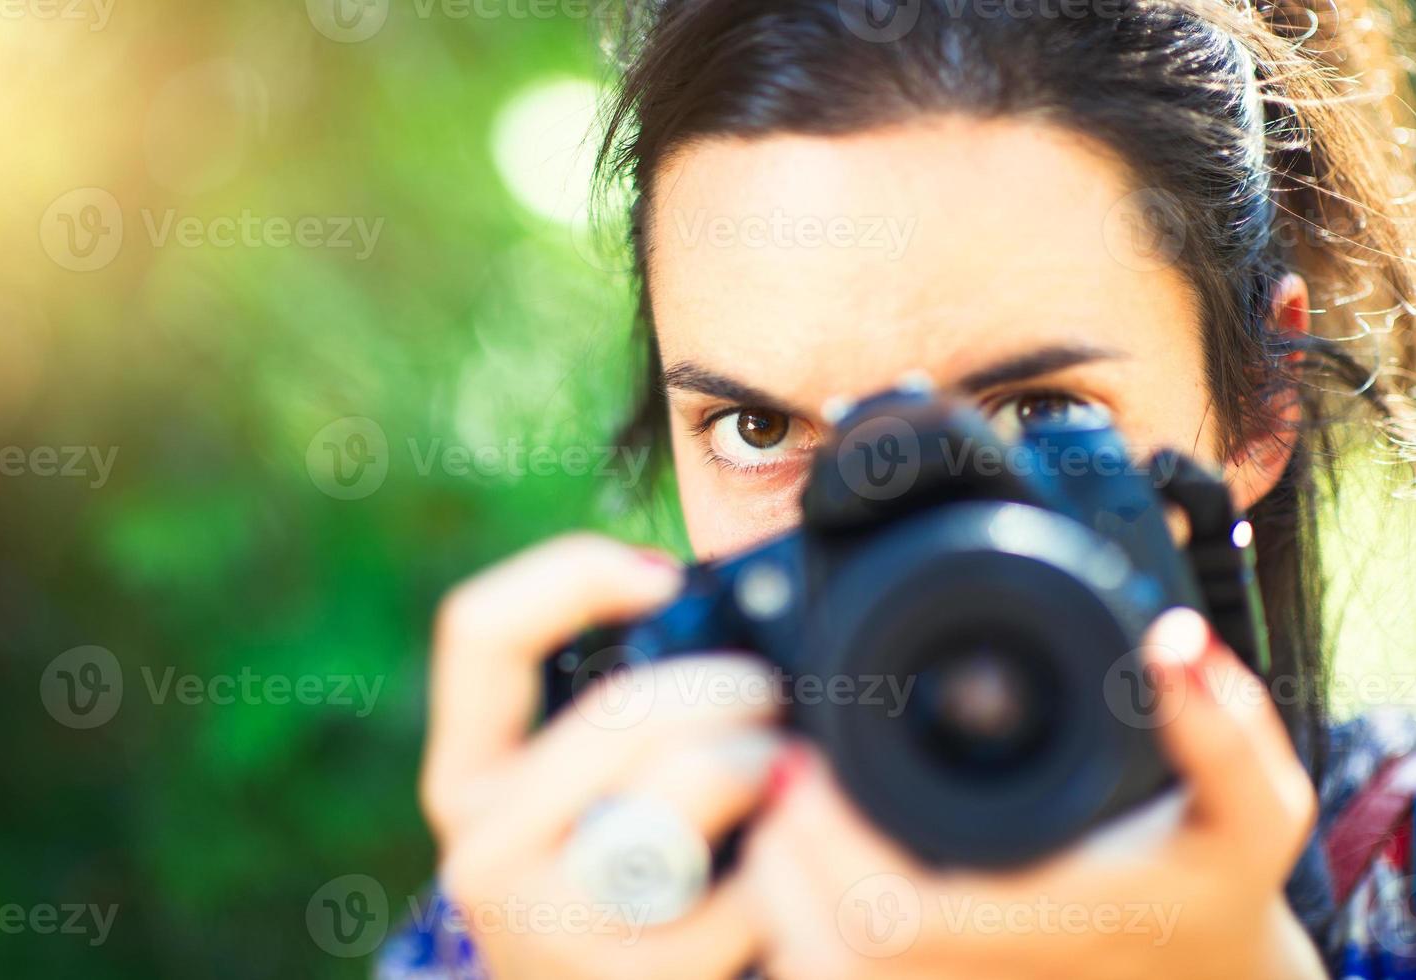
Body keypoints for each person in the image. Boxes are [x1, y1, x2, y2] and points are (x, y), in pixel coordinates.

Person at [381, 0, 1416, 975]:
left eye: (1039, 414)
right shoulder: (586, 891)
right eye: (759, 427)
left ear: (1261, 402)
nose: (905, 535)